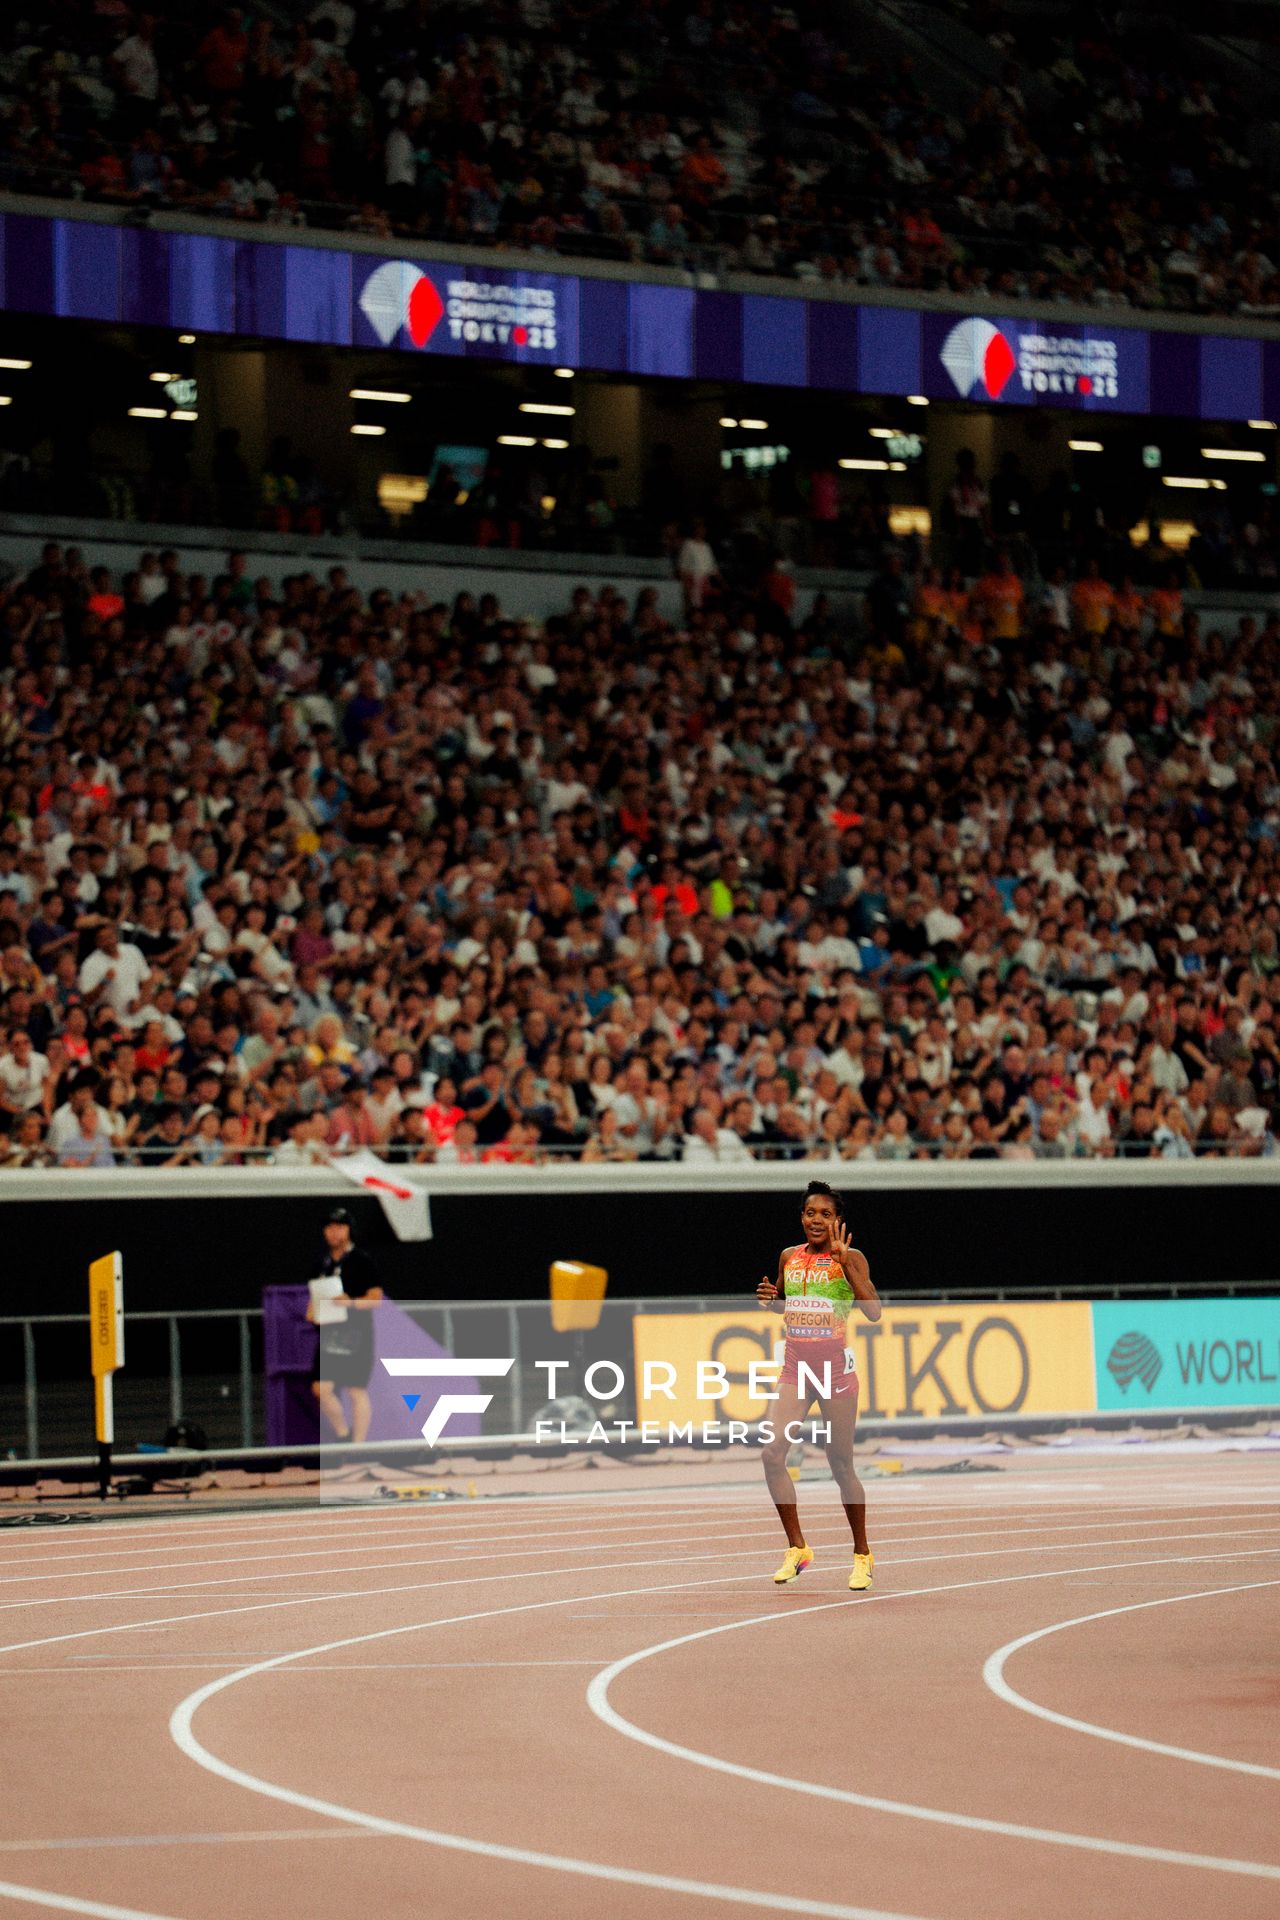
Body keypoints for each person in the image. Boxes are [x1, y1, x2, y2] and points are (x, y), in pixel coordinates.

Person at [755, 1180, 881, 1590]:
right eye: (811, 1213)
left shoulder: (852, 1257)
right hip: (796, 1369)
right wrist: (770, 1299)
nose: (817, 1220)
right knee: (773, 1454)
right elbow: (782, 1304)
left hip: (834, 1373)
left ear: (837, 1221)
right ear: (802, 1217)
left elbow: (874, 1311)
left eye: (826, 1214)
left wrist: (845, 1265)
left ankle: (862, 1554)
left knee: (840, 1464)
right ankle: (798, 1548)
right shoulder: (789, 1256)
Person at [307, 1206, 383, 1442]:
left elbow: (375, 1300)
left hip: (356, 1335)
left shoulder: (362, 1261)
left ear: (349, 1230)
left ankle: (358, 1446)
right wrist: (312, 1311)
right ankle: (343, 1433)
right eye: (329, 1227)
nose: (334, 1232)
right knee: (320, 1388)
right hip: (330, 1333)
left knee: (355, 1390)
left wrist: (350, 1302)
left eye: (340, 1227)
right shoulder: (323, 1264)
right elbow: (316, 1297)